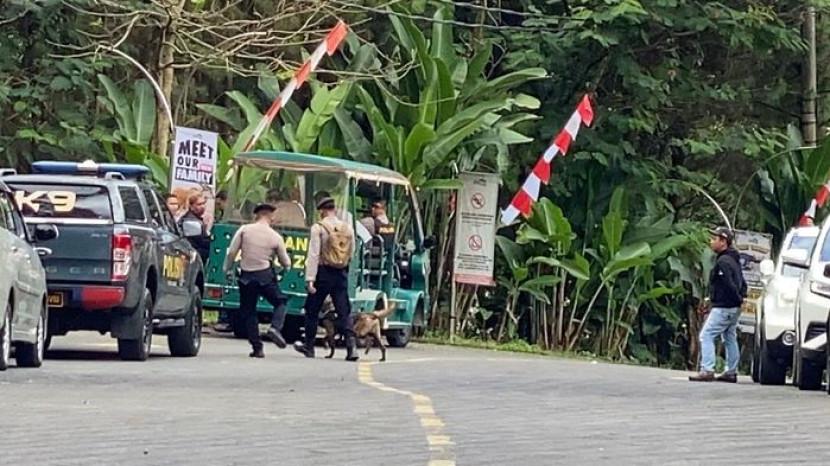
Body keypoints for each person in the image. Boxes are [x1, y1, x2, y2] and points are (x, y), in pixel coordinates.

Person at [293, 196, 359, 361]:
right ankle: (352, 348)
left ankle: (309, 347)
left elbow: (314, 254)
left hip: (323, 273)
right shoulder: (347, 228)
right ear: (334, 209)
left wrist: (310, 279)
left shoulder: (319, 228)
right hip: (340, 273)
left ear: (321, 211)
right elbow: (352, 252)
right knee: (344, 311)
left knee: (312, 310)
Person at [223, 203, 292, 358]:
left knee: (249, 311)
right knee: (280, 302)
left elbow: (232, 252)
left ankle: (257, 348)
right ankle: (275, 327)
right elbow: (285, 262)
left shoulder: (244, 230)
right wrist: (285, 267)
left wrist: (226, 268)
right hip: (265, 276)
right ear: (270, 216)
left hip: (246, 276)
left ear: (257, 215)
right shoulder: (275, 236)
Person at [689, 227, 748, 383]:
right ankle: (731, 371)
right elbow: (742, 282)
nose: (711, 242)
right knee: (729, 336)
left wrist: (735, 299)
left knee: (706, 335)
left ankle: (707, 369)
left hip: (724, 307)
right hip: (733, 307)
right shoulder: (733, 259)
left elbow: (728, 284)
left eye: (714, 239)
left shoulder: (723, 262)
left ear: (723, 242)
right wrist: (741, 299)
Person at [179, 192, 212, 266]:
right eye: (199, 204)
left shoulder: (197, 219)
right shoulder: (190, 221)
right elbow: (200, 241)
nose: (203, 206)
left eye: (203, 203)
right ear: (191, 206)